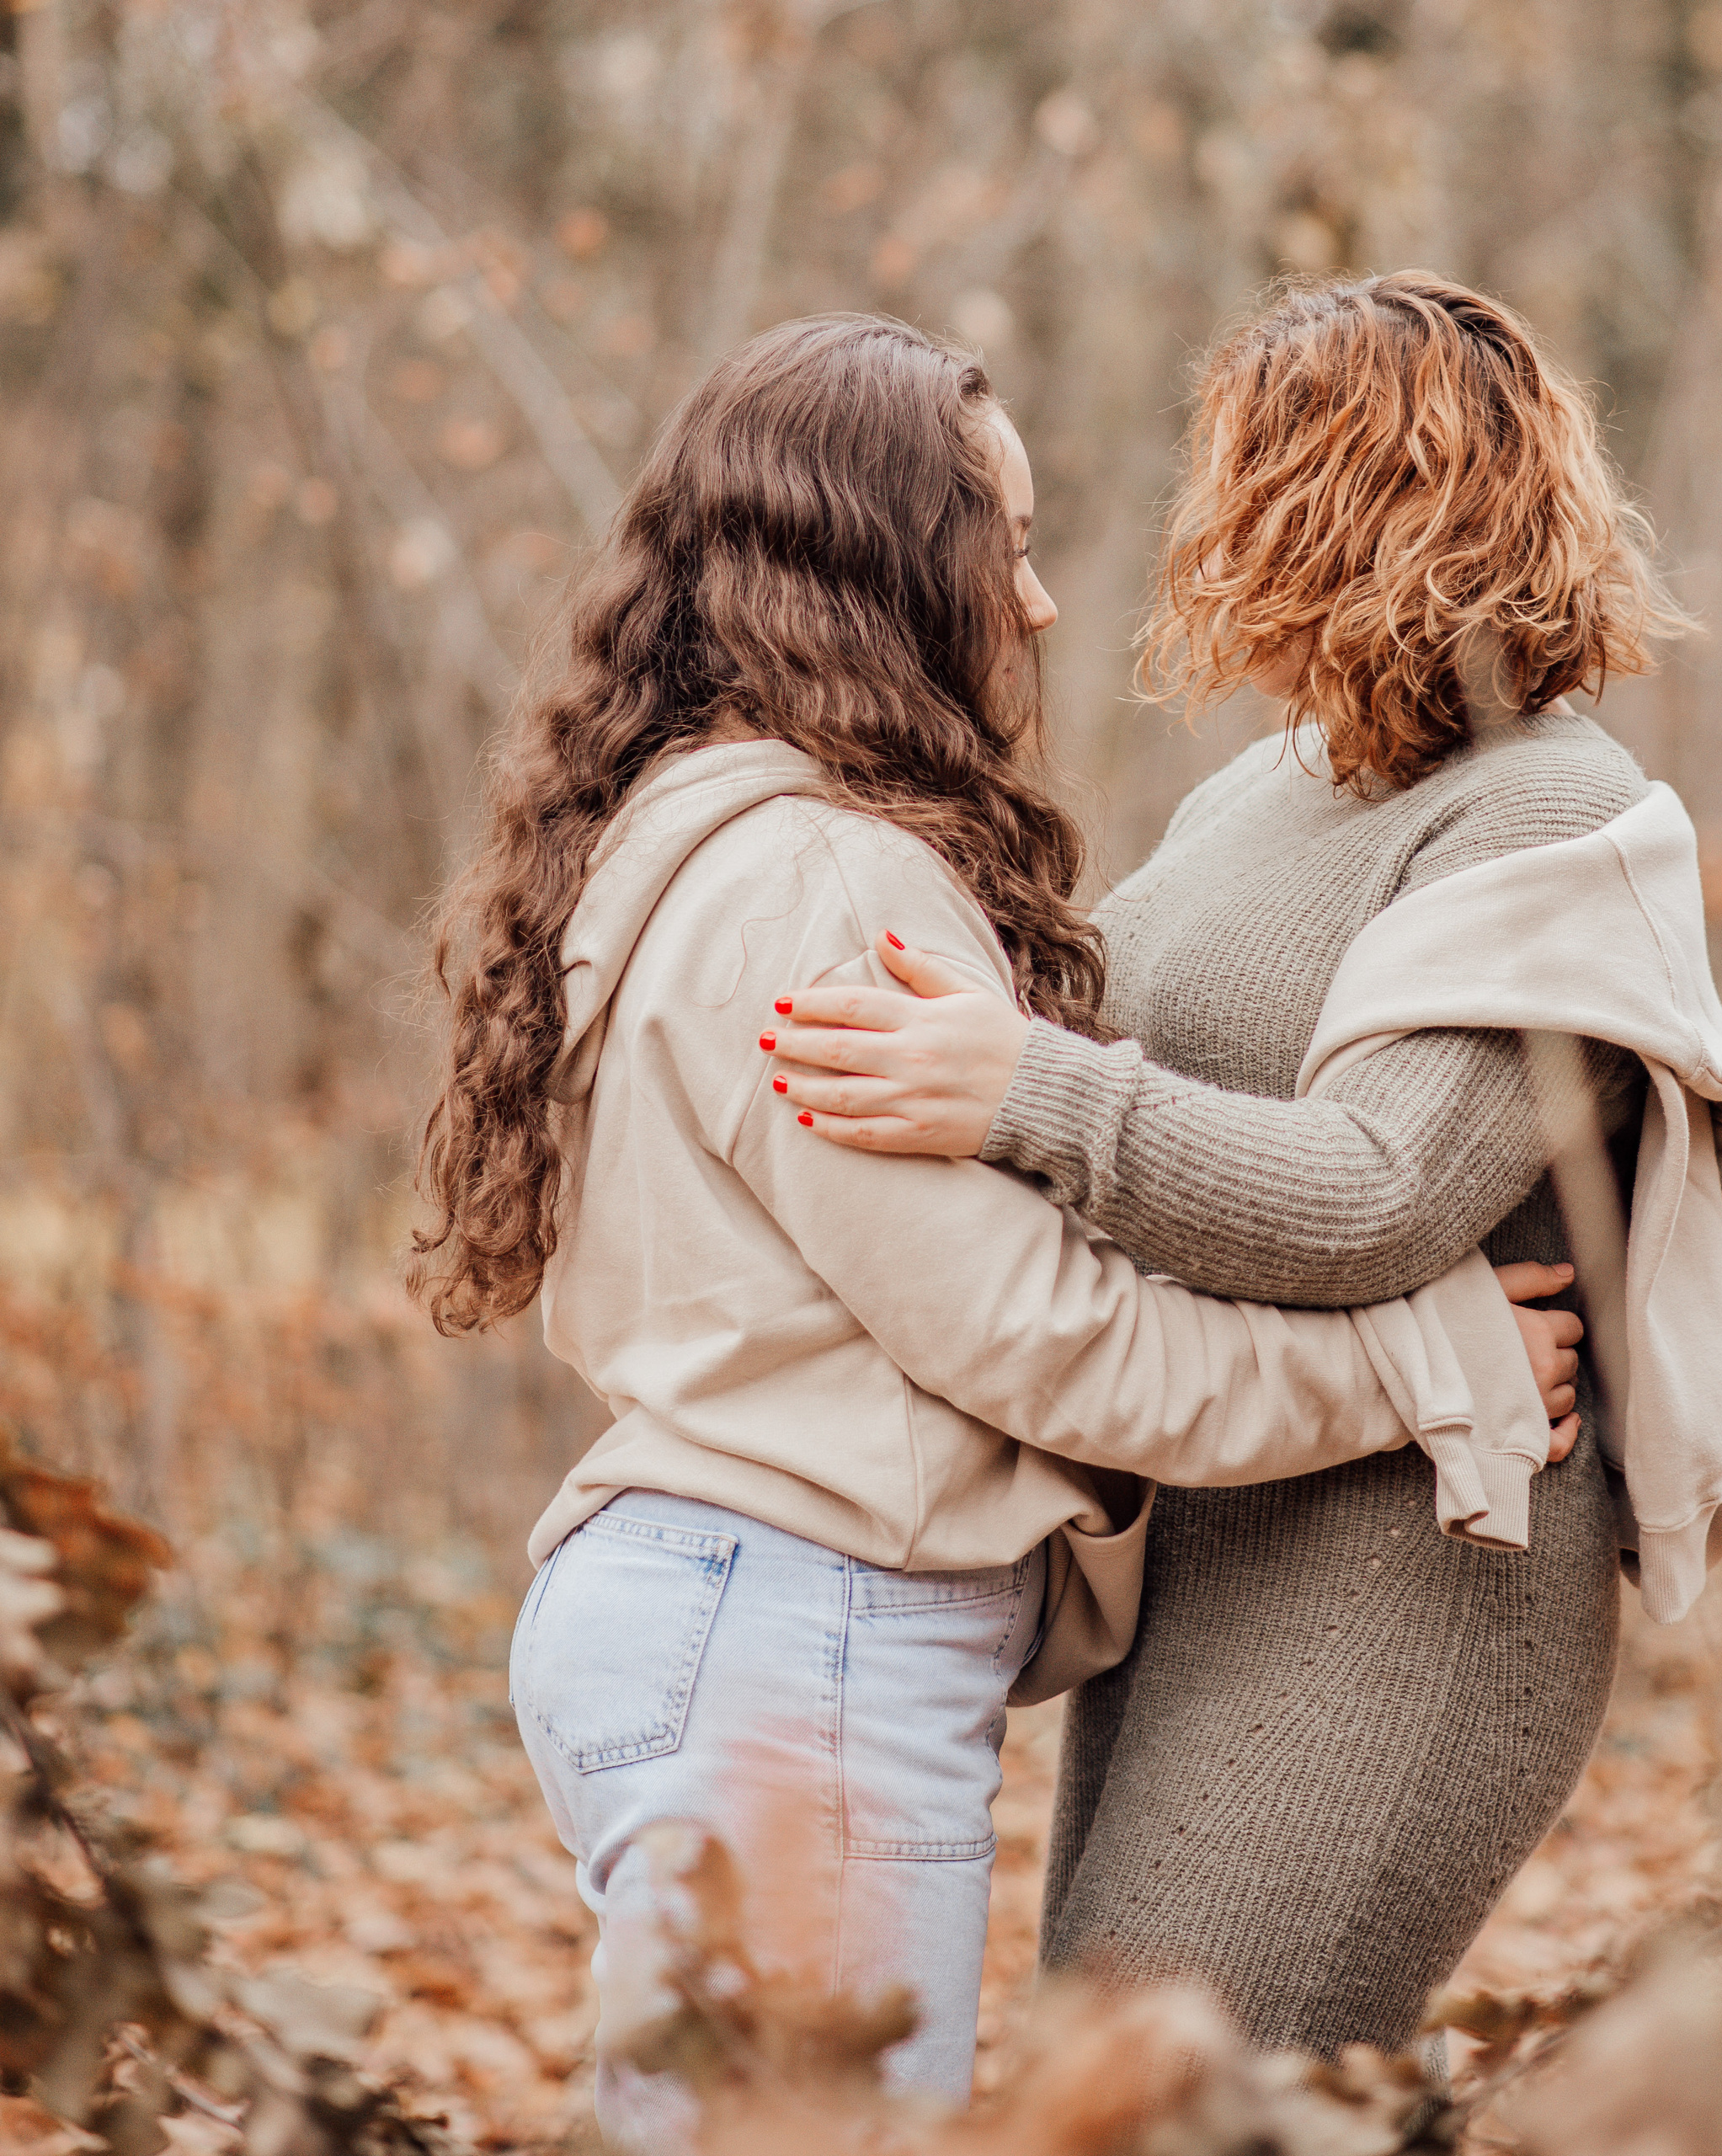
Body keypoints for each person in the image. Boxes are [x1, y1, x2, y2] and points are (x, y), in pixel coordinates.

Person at [404, 311, 1586, 2136]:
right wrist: (1434, 1362)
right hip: (794, 1639)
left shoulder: (688, 826)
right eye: (1004, 546)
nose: (1036, 604)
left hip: (716, 1613)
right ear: (887, 571)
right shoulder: (820, 880)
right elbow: (1052, 1335)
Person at [762, 273, 1722, 2060]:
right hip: (1227, 1514)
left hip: (1420, 1580)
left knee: (1197, 2093)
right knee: (1109, 2083)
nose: (1205, 524)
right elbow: (1097, 1031)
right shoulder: (1267, 790)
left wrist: (1025, 1088)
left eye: (1244, 473)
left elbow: (1372, 1194)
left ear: (1353, 501)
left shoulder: (1550, 817)